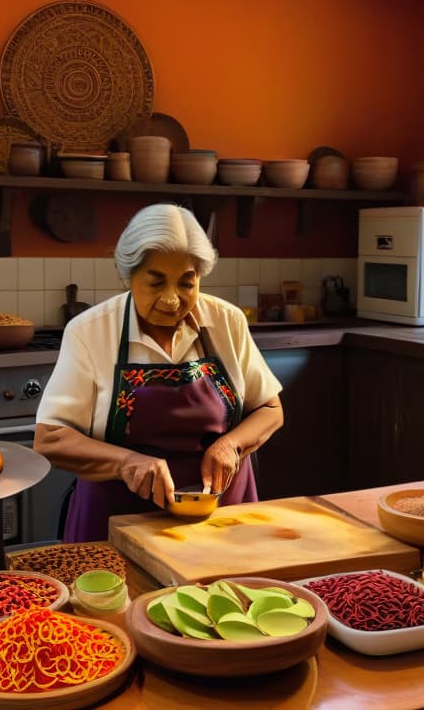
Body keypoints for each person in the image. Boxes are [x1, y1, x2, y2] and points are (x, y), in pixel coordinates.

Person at [34, 203, 284, 542]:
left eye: (186, 283)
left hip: (222, 520)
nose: (171, 300)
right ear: (129, 276)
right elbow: (50, 439)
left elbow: (270, 409)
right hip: (118, 523)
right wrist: (127, 463)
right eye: (156, 283)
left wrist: (231, 446)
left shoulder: (227, 321)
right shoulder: (90, 331)